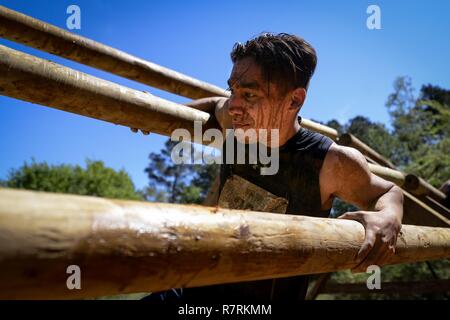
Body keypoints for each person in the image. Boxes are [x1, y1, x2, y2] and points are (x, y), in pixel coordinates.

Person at [145, 32, 404, 302]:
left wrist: (390, 218)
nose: (234, 104)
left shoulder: (328, 161)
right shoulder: (235, 124)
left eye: (249, 94)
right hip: (191, 287)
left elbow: (388, 191)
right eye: (232, 90)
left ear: (294, 100)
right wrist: (160, 113)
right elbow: (214, 105)